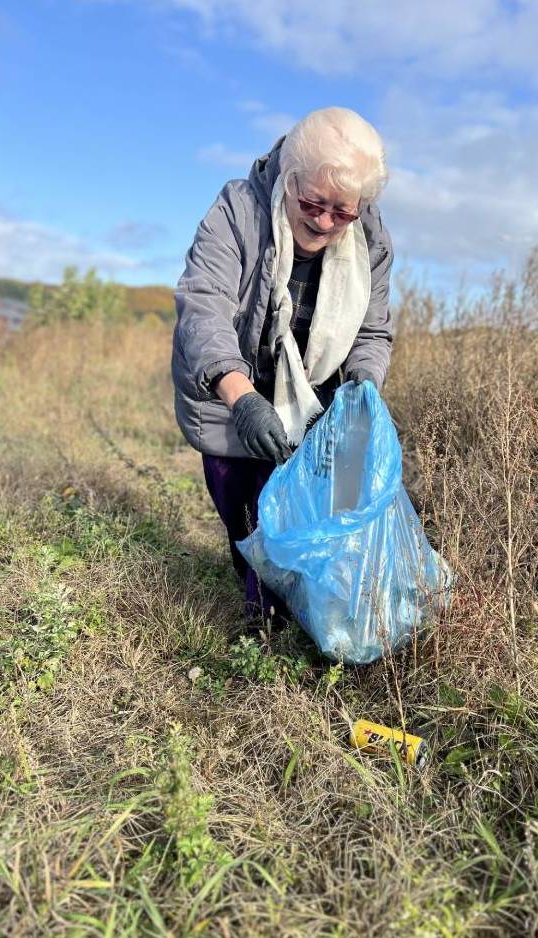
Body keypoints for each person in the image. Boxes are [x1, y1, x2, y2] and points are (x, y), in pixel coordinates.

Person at [171, 106, 393, 623]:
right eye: (313, 202)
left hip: (313, 395)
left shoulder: (373, 240)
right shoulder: (238, 209)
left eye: (343, 212)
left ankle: (270, 621)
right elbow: (204, 304)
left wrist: (361, 385)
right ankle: (251, 569)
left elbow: (372, 331)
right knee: (240, 509)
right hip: (231, 390)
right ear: (289, 177)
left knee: (290, 515)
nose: (324, 222)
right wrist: (242, 396)